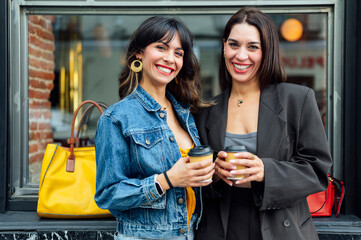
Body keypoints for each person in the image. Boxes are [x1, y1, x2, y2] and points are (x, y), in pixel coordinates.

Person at [194, 7, 333, 240]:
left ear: (267, 51)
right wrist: (215, 175)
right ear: (224, 46)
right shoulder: (206, 110)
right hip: (222, 229)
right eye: (234, 44)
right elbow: (196, 187)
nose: (241, 55)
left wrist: (265, 171)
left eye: (253, 47)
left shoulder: (297, 99)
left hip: (282, 229)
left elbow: (317, 171)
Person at [94, 16, 215, 240]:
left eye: (178, 53)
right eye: (161, 47)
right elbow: (107, 195)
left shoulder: (186, 113)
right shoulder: (116, 118)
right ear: (139, 52)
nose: (170, 59)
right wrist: (167, 180)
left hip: (190, 232)